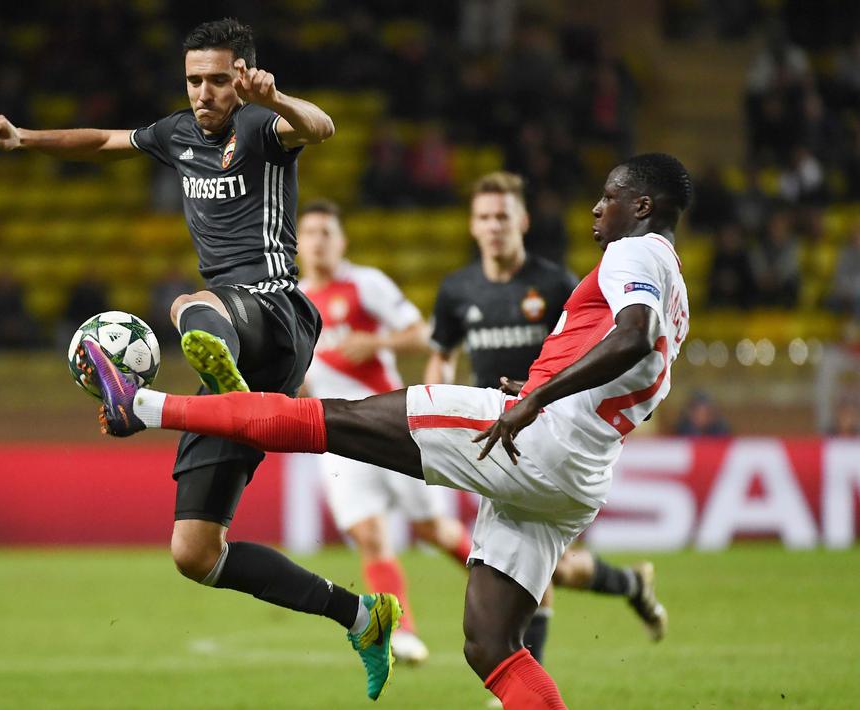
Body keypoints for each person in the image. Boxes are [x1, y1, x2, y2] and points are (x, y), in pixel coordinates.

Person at [86, 154, 693, 709]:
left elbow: (632, 334)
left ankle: (143, 406)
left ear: (642, 207)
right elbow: (639, 362)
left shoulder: (633, 253)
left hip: (536, 439)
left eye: (610, 196)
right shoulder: (678, 287)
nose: (596, 207)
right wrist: (544, 386)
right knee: (490, 645)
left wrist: (537, 397)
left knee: (329, 421)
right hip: (579, 474)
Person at [0, 19, 401, 699]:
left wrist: (279, 98)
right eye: (193, 80)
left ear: (241, 77)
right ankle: (360, 617)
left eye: (215, 80)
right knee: (195, 553)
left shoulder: (265, 128)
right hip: (234, 335)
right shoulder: (176, 134)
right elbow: (108, 141)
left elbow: (320, 129)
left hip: (276, 313)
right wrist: (24, 138)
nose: (203, 93)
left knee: (183, 305)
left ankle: (209, 382)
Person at [425, 171, 668, 669]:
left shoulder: (556, 282)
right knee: (551, 569)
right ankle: (630, 583)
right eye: (485, 217)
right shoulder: (456, 289)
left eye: (503, 216)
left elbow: (599, 343)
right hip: (491, 435)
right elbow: (442, 354)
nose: (494, 227)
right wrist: (437, 395)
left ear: (523, 221)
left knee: (537, 570)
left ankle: (522, 676)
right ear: (472, 226)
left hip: (551, 435)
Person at [296, 200, 473, 665]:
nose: (318, 241)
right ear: (297, 243)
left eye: (326, 232)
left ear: (342, 241)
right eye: (310, 232)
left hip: (389, 425)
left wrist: (374, 342)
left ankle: (504, 583)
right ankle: (403, 631)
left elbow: (424, 333)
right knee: (370, 535)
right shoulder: (293, 301)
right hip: (335, 436)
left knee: (433, 528)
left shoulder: (365, 283)